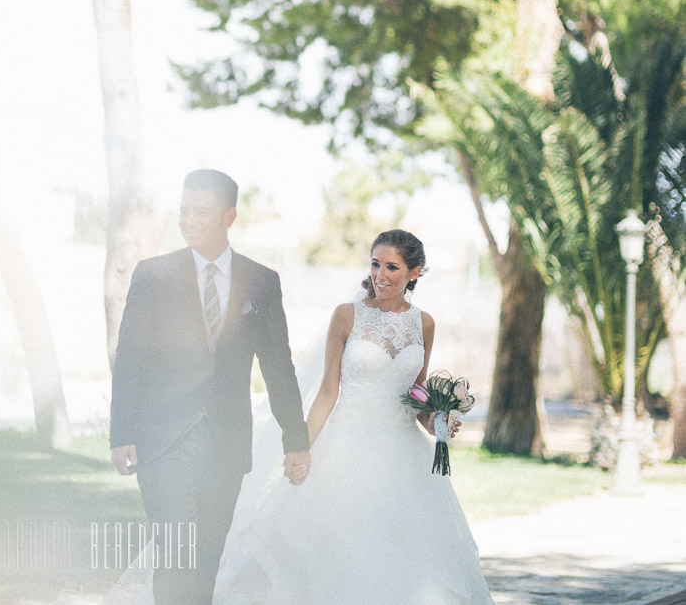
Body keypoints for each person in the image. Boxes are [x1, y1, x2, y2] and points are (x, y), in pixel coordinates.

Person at [210, 228, 494, 604]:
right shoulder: (347, 316)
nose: (380, 275)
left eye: (392, 267)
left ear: (415, 273)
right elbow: (328, 391)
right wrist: (301, 448)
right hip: (344, 451)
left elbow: (416, 393)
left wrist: (437, 419)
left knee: (402, 565)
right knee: (335, 557)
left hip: (403, 460)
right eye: (375, 264)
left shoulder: (424, 323)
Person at [109, 169, 313, 605]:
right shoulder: (153, 275)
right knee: (175, 555)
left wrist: (296, 439)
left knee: (206, 558)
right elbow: (128, 359)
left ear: (229, 217)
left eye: (200, 212)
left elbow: (279, 367)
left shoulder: (262, 281)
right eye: (183, 211)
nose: (188, 221)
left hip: (226, 442)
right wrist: (120, 433)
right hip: (163, 443)